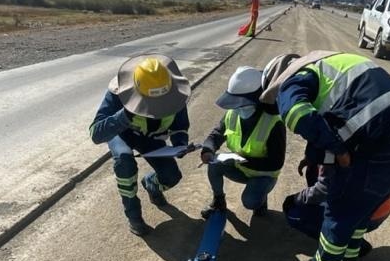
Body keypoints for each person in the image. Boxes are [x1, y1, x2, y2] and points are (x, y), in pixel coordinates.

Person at [260, 51, 390, 261]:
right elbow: (336, 115)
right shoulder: (338, 64)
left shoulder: (294, 79)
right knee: (358, 213)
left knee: (338, 212)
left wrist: (337, 149)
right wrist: (316, 154)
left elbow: (298, 114)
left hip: (380, 144)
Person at [90, 55, 193, 236]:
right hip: (122, 134)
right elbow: (96, 133)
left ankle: (151, 185)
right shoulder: (117, 93)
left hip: (151, 138)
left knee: (172, 176)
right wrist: (125, 115)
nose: (157, 107)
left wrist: (180, 144)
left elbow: (179, 126)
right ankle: (134, 216)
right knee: (125, 162)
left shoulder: (176, 95)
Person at [200, 66, 286, 217]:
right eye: (236, 104)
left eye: (243, 105)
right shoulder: (233, 114)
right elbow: (216, 134)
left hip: (263, 175)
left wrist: (243, 160)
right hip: (240, 167)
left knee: (250, 201)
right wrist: (208, 150)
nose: (238, 108)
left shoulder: (273, 123)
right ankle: (219, 201)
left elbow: (276, 163)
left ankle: (261, 198)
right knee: (214, 165)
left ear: (259, 100)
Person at [281, 164, 390, 261]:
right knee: (313, 173)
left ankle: (335, 259)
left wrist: (296, 199)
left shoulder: (337, 152)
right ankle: (350, 246)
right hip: (379, 207)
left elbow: (323, 188)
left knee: (294, 212)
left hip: (363, 214)